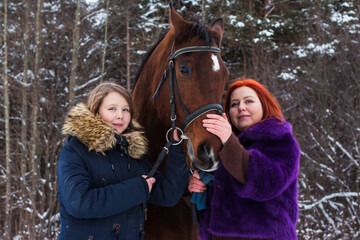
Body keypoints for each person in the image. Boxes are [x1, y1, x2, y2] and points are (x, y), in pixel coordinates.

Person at [57, 82, 188, 240]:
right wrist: (138, 188)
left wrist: (176, 147)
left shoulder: (132, 154)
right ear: (96, 110)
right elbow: (79, 203)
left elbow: (167, 194)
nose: (120, 115)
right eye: (112, 108)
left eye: (125, 109)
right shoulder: (75, 151)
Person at [188, 79, 300, 240]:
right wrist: (198, 188)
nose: (241, 107)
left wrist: (229, 140)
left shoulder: (281, 141)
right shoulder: (224, 145)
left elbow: (265, 184)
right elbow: (215, 206)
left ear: (264, 104)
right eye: (234, 104)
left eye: (249, 101)